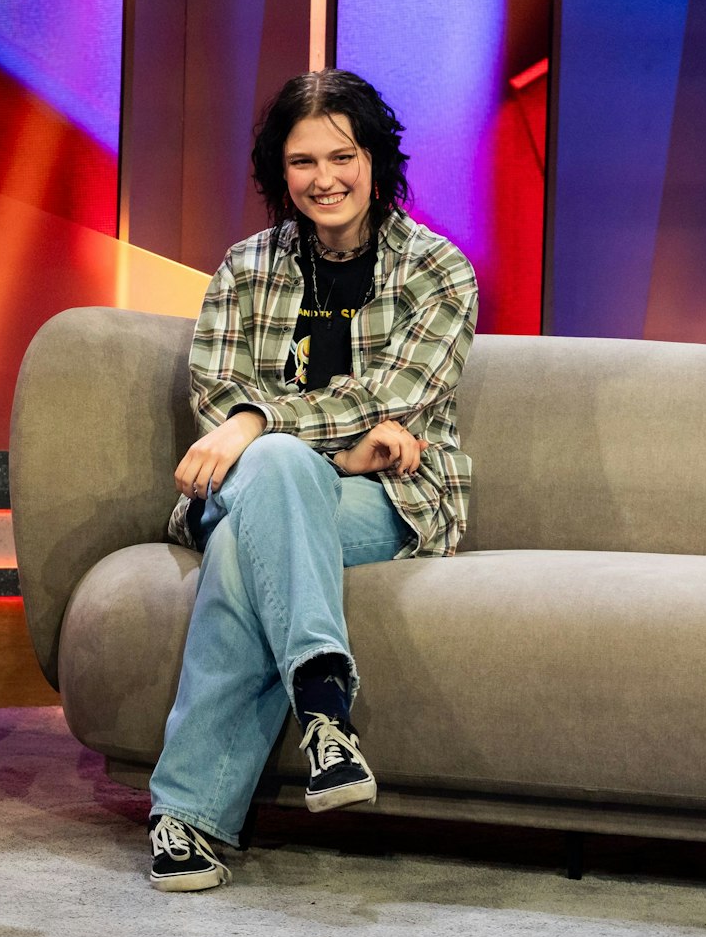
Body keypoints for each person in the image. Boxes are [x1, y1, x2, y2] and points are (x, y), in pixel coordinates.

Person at [145, 69, 477, 892]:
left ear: (376, 160)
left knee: (246, 546)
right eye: (302, 162)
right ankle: (326, 713)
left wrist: (265, 424)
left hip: (391, 500)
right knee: (281, 478)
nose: (324, 178)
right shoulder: (244, 268)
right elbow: (216, 397)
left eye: (343, 155)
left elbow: (392, 396)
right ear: (277, 171)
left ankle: (184, 815)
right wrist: (336, 446)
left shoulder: (439, 272)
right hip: (285, 482)